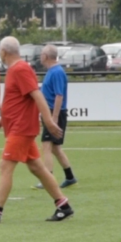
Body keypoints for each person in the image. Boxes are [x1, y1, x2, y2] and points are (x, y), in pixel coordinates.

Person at [0, 37, 74, 224]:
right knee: (37, 167)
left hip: (22, 128)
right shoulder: (16, 69)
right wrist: (2, 121)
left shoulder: (20, 69)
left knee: (5, 165)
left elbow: (37, 96)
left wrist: (49, 121)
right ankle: (63, 206)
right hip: (16, 127)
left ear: (4, 52)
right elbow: (18, 102)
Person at [33, 44, 76, 188]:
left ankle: (48, 179)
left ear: (46, 56)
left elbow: (59, 95)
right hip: (50, 112)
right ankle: (70, 177)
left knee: (46, 145)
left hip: (53, 113)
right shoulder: (52, 71)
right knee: (55, 148)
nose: (40, 57)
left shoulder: (57, 72)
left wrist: (54, 117)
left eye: (41, 55)